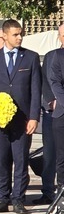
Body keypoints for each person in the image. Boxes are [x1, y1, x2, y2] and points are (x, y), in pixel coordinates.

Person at [0, 19, 41, 214]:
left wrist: (34, 117)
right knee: (0, 159)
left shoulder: (30, 58)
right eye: (15, 34)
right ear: (4, 36)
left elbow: (35, 89)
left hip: (22, 120)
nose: (19, 37)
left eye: (20, 34)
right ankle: (2, 198)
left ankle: (18, 199)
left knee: (21, 160)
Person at [37, 26, 64, 204]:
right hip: (55, 111)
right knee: (51, 154)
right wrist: (51, 101)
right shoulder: (52, 56)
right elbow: (46, 81)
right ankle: (49, 191)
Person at [47, 27, 64, 201]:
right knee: (61, 157)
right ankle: (61, 194)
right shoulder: (58, 57)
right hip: (62, 114)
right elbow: (54, 81)